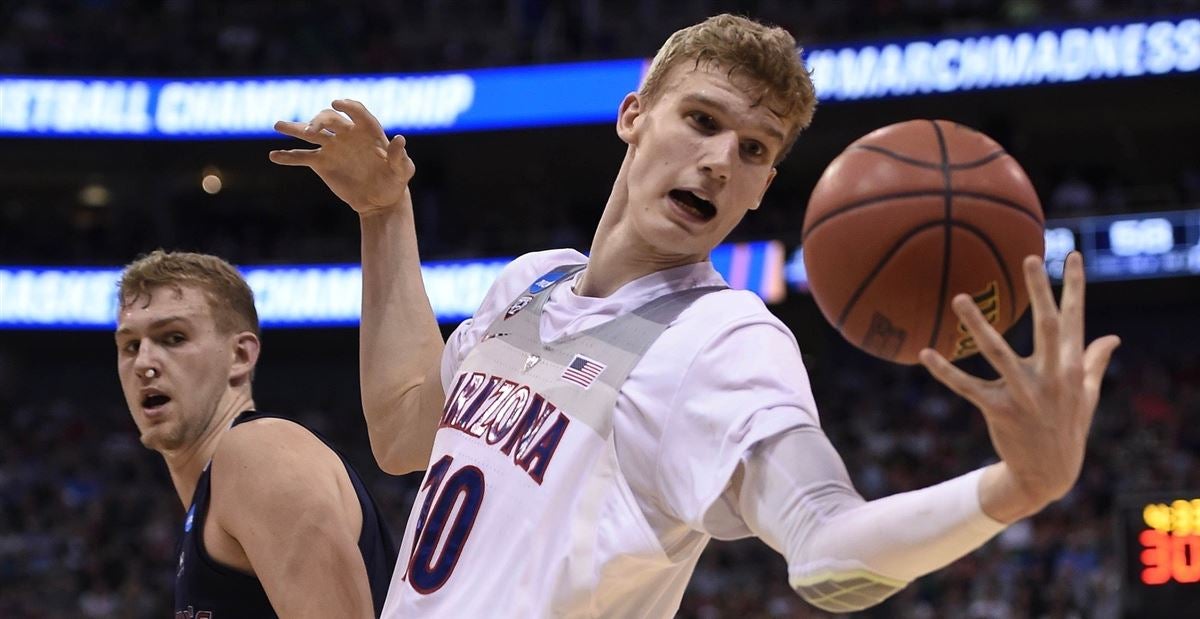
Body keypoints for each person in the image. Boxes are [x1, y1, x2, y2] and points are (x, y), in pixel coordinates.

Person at [269, 13, 1121, 616]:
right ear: (634, 116)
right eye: (702, 121)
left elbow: (828, 550)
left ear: (762, 190)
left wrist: (1015, 488)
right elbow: (405, 430)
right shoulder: (529, 282)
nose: (719, 162)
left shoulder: (724, 339)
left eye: (753, 151)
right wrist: (385, 216)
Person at [114, 250, 398, 618]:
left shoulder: (258, 451)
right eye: (130, 346)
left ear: (241, 356)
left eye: (173, 338)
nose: (144, 364)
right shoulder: (214, 491)